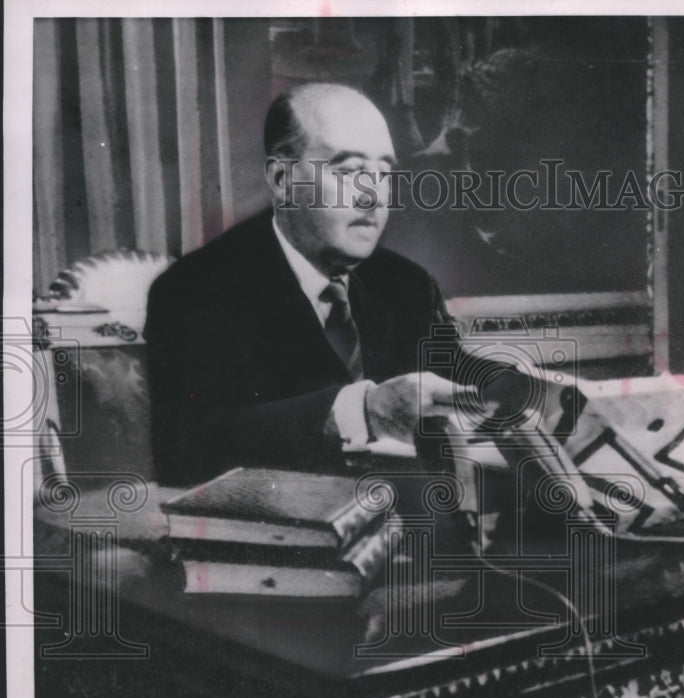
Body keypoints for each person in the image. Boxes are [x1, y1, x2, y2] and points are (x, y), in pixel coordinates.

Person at [144, 83, 487, 487]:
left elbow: (458, 372)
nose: (372, 197)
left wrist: (540, 393)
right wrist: (363, 411)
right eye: (348, 172)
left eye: (383, 173)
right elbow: (190, 447)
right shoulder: (194, 289)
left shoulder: (407, 284)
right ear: (281, 178)